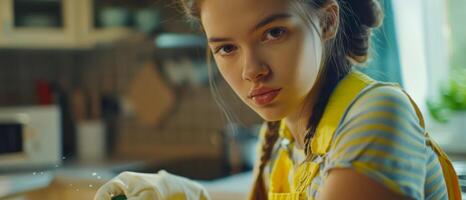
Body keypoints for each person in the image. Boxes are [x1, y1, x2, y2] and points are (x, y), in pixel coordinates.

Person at [94, 0, 462, 199]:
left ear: (327, 22)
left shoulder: (379, 114)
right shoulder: (281, 136)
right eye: (226, 48)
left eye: (273, 32)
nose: (251, 70)